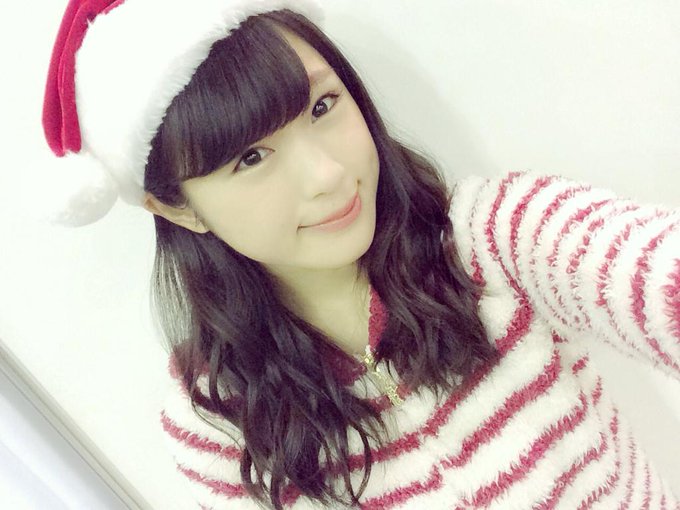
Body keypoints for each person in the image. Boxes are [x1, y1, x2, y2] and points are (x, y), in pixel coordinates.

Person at [41, 1, 680, 509]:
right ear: (178, 207)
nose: (327, 173)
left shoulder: (494, 238)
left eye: (323, 106)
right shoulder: (216, 419)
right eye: (251, 158)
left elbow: (649, 270)